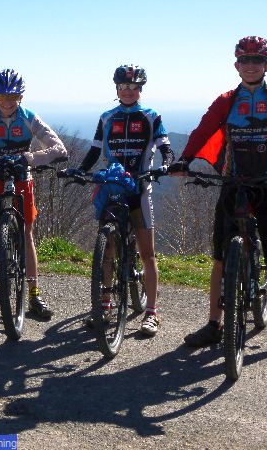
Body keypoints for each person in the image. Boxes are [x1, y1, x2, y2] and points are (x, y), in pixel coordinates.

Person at [169, 36, 267, 359]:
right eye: (245, 60)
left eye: (257, 60)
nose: (251, 65)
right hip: (232, 183)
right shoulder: (227, 100)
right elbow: (204, 128)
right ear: (236, 65)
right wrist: (185, 158)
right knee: (221, 258)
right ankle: (214, 324)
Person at [63, 64, 173, 336]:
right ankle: (105, 304)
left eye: (133, 87)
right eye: (123, 87)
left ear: (140, 89)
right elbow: (94, 150)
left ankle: (152, 312)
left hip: (139, 189)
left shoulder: (151, 116)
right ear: (116, 88)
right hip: (112, 187)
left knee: (147, 253)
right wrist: (81, 169)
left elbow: (165, 148)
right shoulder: (107, 118)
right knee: (107, 248)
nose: (127, 91)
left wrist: (166, 165)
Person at [0, 69, 68, 320]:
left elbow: (58, 148)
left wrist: (29, 158)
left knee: (27, 234)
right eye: (2, 97)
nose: (7, 102)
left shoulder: (29, 118)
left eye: (13, 97)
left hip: (21, 178)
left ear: (21, 97)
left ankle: (34, 295)